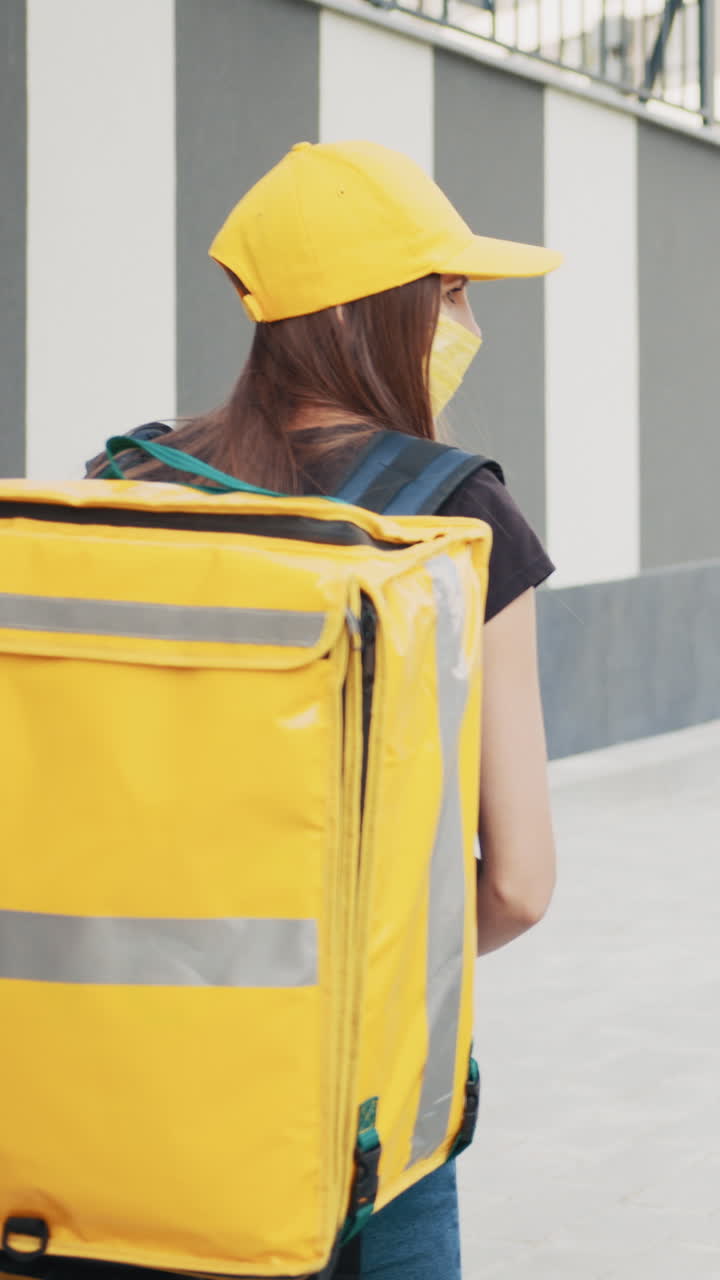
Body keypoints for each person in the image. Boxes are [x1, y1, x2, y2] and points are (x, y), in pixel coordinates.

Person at [87, 138, 559, 1279]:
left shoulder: (129, 485)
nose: (467, 319)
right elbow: (518, 881)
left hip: (130, 1072)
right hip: (361, 1097)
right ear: (385, 312)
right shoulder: (454, 515)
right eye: (452, 291)